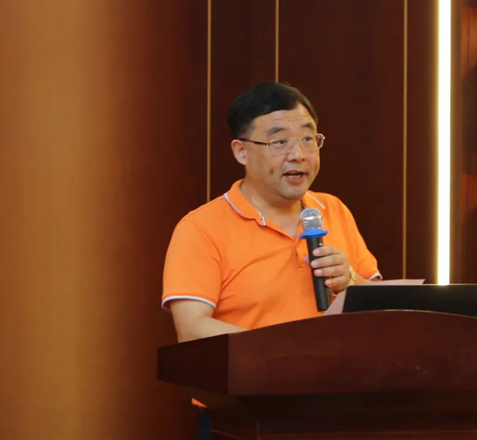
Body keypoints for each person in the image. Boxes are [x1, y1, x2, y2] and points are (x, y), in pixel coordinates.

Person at [162, 82, 382, 343]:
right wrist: (288, 349)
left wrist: (351, 280)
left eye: (308, 139)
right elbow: (191, 329)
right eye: (279, 142)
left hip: (339, 368)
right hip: (256, 369)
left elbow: (382, 311)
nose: (298, 155)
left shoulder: (333, 209)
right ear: (241, 152)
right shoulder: (200, 229)